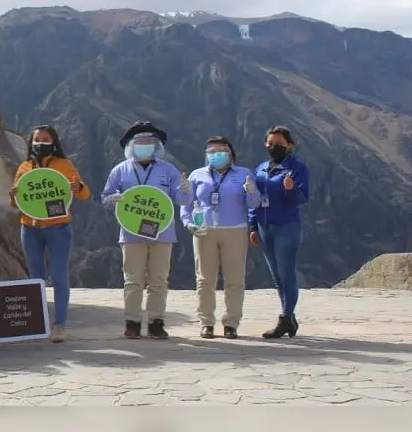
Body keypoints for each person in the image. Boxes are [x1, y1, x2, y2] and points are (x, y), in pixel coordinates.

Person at [101, 120, 193, 340]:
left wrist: (186, 190)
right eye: (140, 142)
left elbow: (181, 201)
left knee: (159, 280)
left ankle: (156, 321)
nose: (145, 146)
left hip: (162, 234)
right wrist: (113, 199)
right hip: (131, 234)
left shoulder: (168, 170)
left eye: (149, 142)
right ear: (131, 145)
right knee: (133, 280)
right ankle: (132, 321)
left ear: (156, 145)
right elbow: (105, 199)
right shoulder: (120, 171)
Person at [8, 125, 90, 343]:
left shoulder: (64, 165)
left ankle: (59, 325)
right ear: (30, 141)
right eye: (37, 139)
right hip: (30, 228)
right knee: (35, 278)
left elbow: (83, 193)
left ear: (54, 142)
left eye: (46, 139)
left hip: (58, 228)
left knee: (59, 274)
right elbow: (16, 203)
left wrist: (77, 187)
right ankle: (37, 323)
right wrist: (14, 194)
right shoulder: (24, 167)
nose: (41, 143)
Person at [180, 136, 261, 339]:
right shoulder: (197, 175)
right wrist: (188, 223)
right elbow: (186, 202)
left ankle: (231, 323)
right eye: (211, 152)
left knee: (234, 280)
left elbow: (254, 203)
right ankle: (206, 322)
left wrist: (251, 191)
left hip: (235, 230)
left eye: (220, 151)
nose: (215, 155)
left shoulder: (243, 174)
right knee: (205, 279)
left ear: (230, 153)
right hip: (204, 230)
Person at [249, 125, 310, 339]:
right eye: (271, 143)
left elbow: (302, 198)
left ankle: (285, 317)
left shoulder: (297, 168)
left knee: (287, 273)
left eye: (280, 144)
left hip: (287, 227)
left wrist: (291, 188)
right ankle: (289, 318)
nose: (274, 147)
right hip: (265, 228)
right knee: (276, 276)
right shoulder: (261, 168)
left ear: (290, 145)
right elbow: (254, 199)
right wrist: (253, 226)